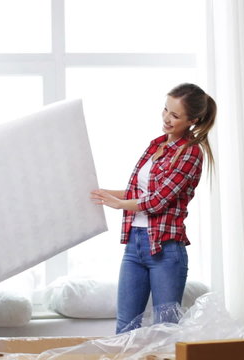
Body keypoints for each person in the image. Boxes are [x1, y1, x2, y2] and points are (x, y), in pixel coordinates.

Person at [90, 83, 216, 334]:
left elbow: (158, 201)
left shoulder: (190, 153)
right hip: (135, 246)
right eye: (165, 110)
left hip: (166, 250)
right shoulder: (155, 145)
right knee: (125, 329)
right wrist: (105, 194)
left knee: (165, 331)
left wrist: (119, 205)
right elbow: (138, 193)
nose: (167, 118)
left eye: (175, 115)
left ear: (193, 119)